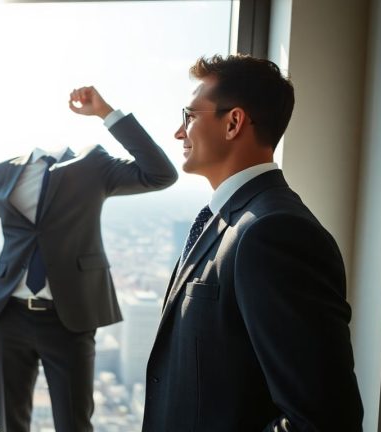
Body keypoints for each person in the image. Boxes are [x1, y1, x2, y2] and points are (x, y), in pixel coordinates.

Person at [143, 54, 363, 431]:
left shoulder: (273, 232)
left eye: (190, 117)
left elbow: (323, 418)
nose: (179, 133)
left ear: (233, 123)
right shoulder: (230, 220)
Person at [0, 86, 177, 431]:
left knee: (74, 424)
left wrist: (107, 113)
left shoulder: (93, 165)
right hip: (6, 314)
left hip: (68, 318)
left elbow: (161, 174)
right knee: (10, 424)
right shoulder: (0, 172)